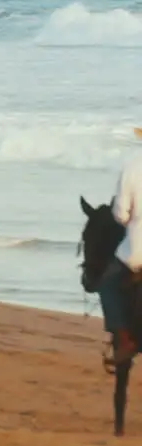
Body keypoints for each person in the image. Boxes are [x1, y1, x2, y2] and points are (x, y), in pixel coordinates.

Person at [101, 154, 142, 363]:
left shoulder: (133, 166)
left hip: (137, 252)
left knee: (107, 283)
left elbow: (120, 214)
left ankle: (124, 339)